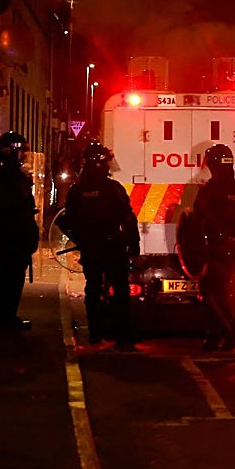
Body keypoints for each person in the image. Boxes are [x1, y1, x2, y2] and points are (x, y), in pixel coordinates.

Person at [58, 142, 140, 348]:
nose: (108, 167)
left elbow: (68, 221)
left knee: (93, 289)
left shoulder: (77, 191)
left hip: (92, 249)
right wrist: (133, 243)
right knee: (119, 291)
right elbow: (128, 218)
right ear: (98, 165)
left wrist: (81, 240)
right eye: (105, 163)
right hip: (113, 248)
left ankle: (96, 332)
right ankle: (122, 335)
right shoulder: (113, 189)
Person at [190, 143, 235, 351]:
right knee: (222, 292)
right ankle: (215, 336)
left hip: (216, 250)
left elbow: (196, 224)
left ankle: (232, 330)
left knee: (210, 292)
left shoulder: (208, 192)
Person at [0, 132, 40, 332]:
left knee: (13, 275)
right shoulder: (4, 177)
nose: (24, 156)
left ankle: (7, 317)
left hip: (14, 234)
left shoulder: (13, 176)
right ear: (10, 152)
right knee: (8, 276)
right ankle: (4, 318)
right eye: (21, 151)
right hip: (10, 234)